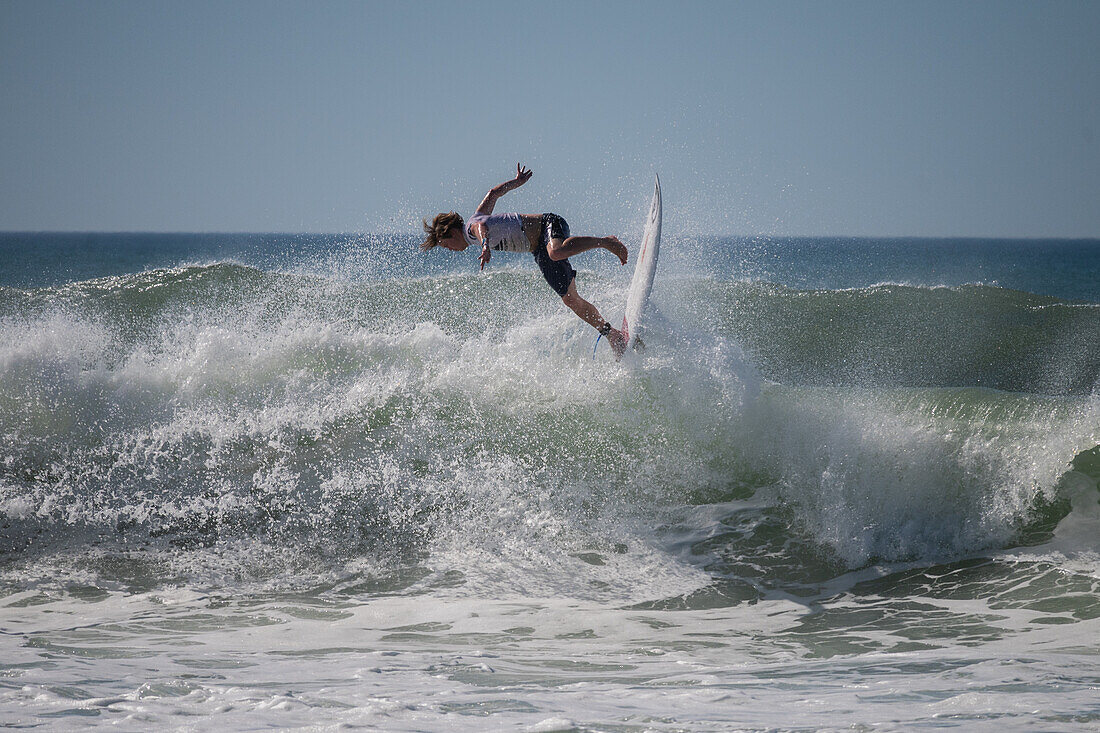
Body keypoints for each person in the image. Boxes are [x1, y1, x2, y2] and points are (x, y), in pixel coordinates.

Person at [421, 164, 629, 356]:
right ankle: (613, 335)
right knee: (570, 299)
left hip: (548, 224)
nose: (449, 250)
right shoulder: (475, 218)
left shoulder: (471, 229)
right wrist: (516, 182)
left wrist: (485, 246)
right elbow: (494, 193)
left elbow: (481, 228)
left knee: (556, 252)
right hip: (538, 248)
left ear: (451, 233)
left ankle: (606, 242)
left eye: (445, 245)